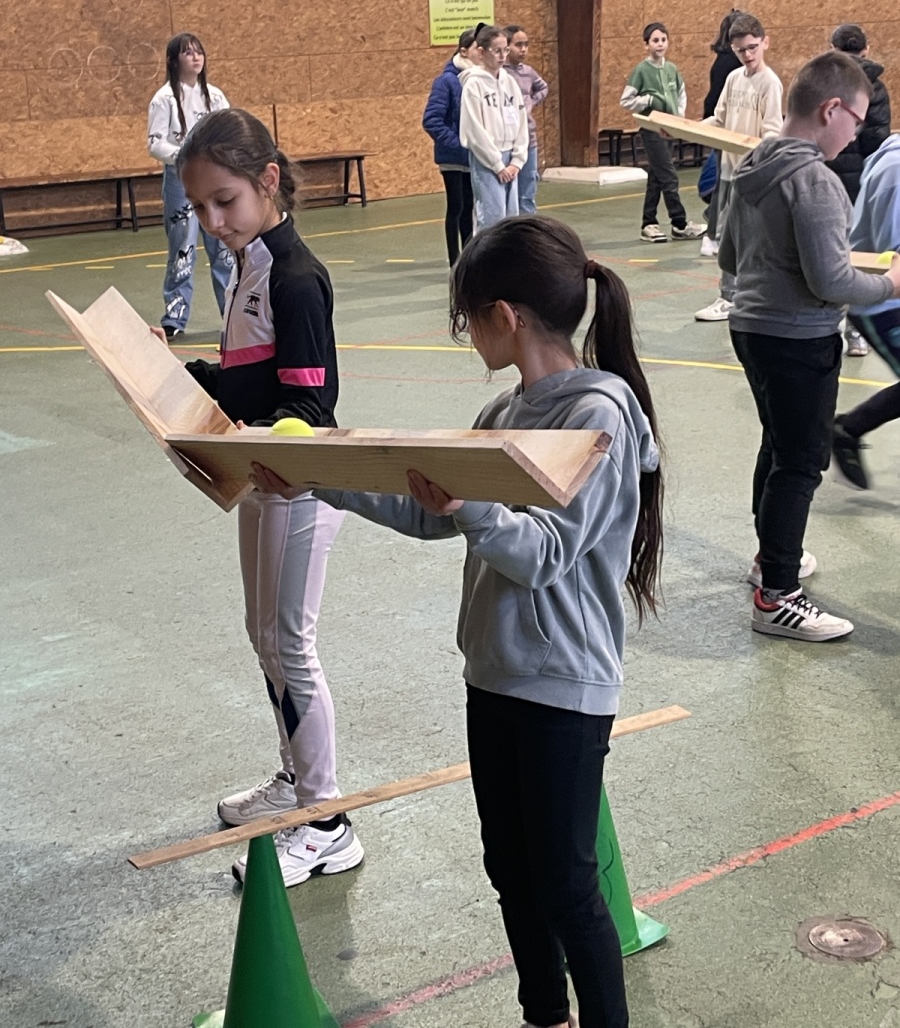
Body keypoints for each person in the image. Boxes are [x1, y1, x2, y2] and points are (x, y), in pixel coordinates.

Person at [256, 216, 663, 1028]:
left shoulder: (600, 417)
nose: (465, 333)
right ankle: (544, 1014)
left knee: (568, 885)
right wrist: (316, 477)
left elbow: (546, 553)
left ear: (504, 317)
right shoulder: (504, 410)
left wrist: (470, 505)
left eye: (467, 318)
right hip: (494, 673)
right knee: (510, 868)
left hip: (564, 684)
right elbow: (428, 510)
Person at [165, 108, 364, 887]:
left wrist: (252, 434)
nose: (213, 222)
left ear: (268, 181)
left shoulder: (295, 276)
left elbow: (308, 407)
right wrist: (180, 375)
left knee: (290, 645)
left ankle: (327, 821)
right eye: (199, 207)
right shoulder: (249, 264)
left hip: (298, 487)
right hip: (258, 475)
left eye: (225, 201)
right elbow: (253, 382)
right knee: (264, 636)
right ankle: (294, 779)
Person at [718, 52, 900, 642]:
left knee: (777, 444)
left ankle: (771, 559)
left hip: (750, 327)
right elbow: (832, 282)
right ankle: (778, 596)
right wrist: (891, 284)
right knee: (800, 461)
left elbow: (728, 255)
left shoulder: (755, 164)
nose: (857, 135)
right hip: (798, 338)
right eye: (857, 120)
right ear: (831, 109)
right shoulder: (815, 180)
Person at [695, 14, 783, 321]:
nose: (747, 55)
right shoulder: (734, 78)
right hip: (728, 170)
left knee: (745, 237)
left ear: (765, 42)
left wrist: (756, 160)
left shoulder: (770, 83)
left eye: (752, 47)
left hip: (752, 174)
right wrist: (686, 128)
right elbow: (719, 120)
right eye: (740, 50)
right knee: (728, 236)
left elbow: (772, 132)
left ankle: (732, 296)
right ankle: (733, 294)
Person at [147, 33, 233, 338]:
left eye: (199, 52)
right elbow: (155, 144)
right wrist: (187, 155)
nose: (196, 58)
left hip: (215, 178)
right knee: (183, 248)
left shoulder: (215, 96)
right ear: (174, 60)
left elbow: (229, 130)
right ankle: (175, 316)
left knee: (223, 246)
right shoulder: (164, 99)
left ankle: (232, 314)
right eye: (188, 53)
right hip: (180, 179)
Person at [831, 133, 900, 490]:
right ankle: (847, 428)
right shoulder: (897, 170)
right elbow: (895, 255)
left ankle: (848, 428)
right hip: (885, 303)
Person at [826, 23, 893, 358]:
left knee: (828, 252)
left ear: (833, 50)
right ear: (866, 50)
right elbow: (878, 140)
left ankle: (829, 325)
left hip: (827, 178)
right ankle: (856, 333)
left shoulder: (825, 83)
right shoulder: (876, 88)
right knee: (860, 257)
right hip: (862, 182)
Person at [619, 21, 704, 243]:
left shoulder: (672, 69)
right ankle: (679, 223)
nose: (660, 44)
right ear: (646, 45)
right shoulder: (641, 70)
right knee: (669, 176)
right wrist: (646, 100)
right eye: (655, 40)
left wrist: (679, 117)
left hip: (669, 130)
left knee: (656, 177)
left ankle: (648, 223)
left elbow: (681, 94)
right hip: (652, 130)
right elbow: (626, 100)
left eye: (663, 40)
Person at [459, 24, 529, 232]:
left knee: (511, 219)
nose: (502, 56)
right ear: (481, 53)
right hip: (488, 160)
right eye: (496, 50)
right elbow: (474, 130)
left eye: (505, 50)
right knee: (492, 219)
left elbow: (521, 120)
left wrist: (517, 160)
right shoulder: (473, 84)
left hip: (511, 159)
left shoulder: (510, 82)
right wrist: (497, 165)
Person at [422, 27, 476, 266]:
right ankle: (454, 259)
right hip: (453, 157)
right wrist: (458, 144)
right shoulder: (446, 81)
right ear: (463, 51)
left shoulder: (479, 79)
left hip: (474, 157)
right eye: (477, 48)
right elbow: (431, 120)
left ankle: (469, 256)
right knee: (456, 206)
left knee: (469, 207)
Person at [698, 10, 744, 258]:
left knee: (729, 182)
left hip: (728, 127)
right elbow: (720, 104)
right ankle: (712, 234)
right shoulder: (730, 63)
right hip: (724, 128)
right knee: (723, 182)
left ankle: (720, 227)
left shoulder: (728, 60)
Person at [503, 24, 549, 215]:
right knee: (506, 190)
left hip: (528, 137)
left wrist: (531, 102)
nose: (523, 49)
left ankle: (528, 225)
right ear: (506, 47)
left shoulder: (528, 72)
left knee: (527, 189)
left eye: (526, 45)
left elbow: (543, 88)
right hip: (507, 140)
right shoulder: (501, 73)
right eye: (518, 45)